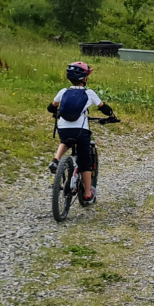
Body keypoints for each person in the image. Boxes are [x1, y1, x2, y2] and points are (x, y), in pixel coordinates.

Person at [47, 61, 114, 202]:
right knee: (85, 161)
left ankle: (56, 159)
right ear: (84, 79)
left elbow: (51, 108)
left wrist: (55, 111)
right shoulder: (89, 93)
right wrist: (112, 116)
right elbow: (103, 108)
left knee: (65, 141)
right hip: (80, 131)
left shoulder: (63, 92)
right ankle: (88, 193)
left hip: (63, 128)